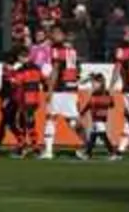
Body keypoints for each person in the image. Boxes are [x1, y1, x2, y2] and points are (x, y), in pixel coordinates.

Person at [42, 26, 84, 160]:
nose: (53, 35)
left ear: (63, 35)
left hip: (60, 89)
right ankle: (87, 145)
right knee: (72, 120)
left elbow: (55, 71)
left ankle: (48, 151)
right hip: (71, 88)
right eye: (53, 33)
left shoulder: (57, 50)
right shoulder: (72, 50)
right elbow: (78, 69)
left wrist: (49, 89)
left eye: (56, 33)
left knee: (51, 118)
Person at [10, 47, 45, 157]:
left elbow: (15, 84)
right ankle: (31, 146)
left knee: (21, 123)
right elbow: (44, 80)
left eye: (20, 57)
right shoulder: (37, 68)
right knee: (29, 122)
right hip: (35, 99)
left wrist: (11, 76)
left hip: (24, 99)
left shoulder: (21, 70)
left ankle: (26, 146)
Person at [77, 74, 118, 160]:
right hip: (95, 117)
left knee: (101, 135)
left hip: (100, 117)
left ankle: (112, 153)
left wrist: (107, 100)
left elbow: (111, 104)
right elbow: (89, 104)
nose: (93, 85)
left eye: (95, 83)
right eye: (93, 83)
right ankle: (88, 153)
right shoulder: (94, 93)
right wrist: (82, 112)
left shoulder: (104, 93)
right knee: (94, 135)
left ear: (101, 83)